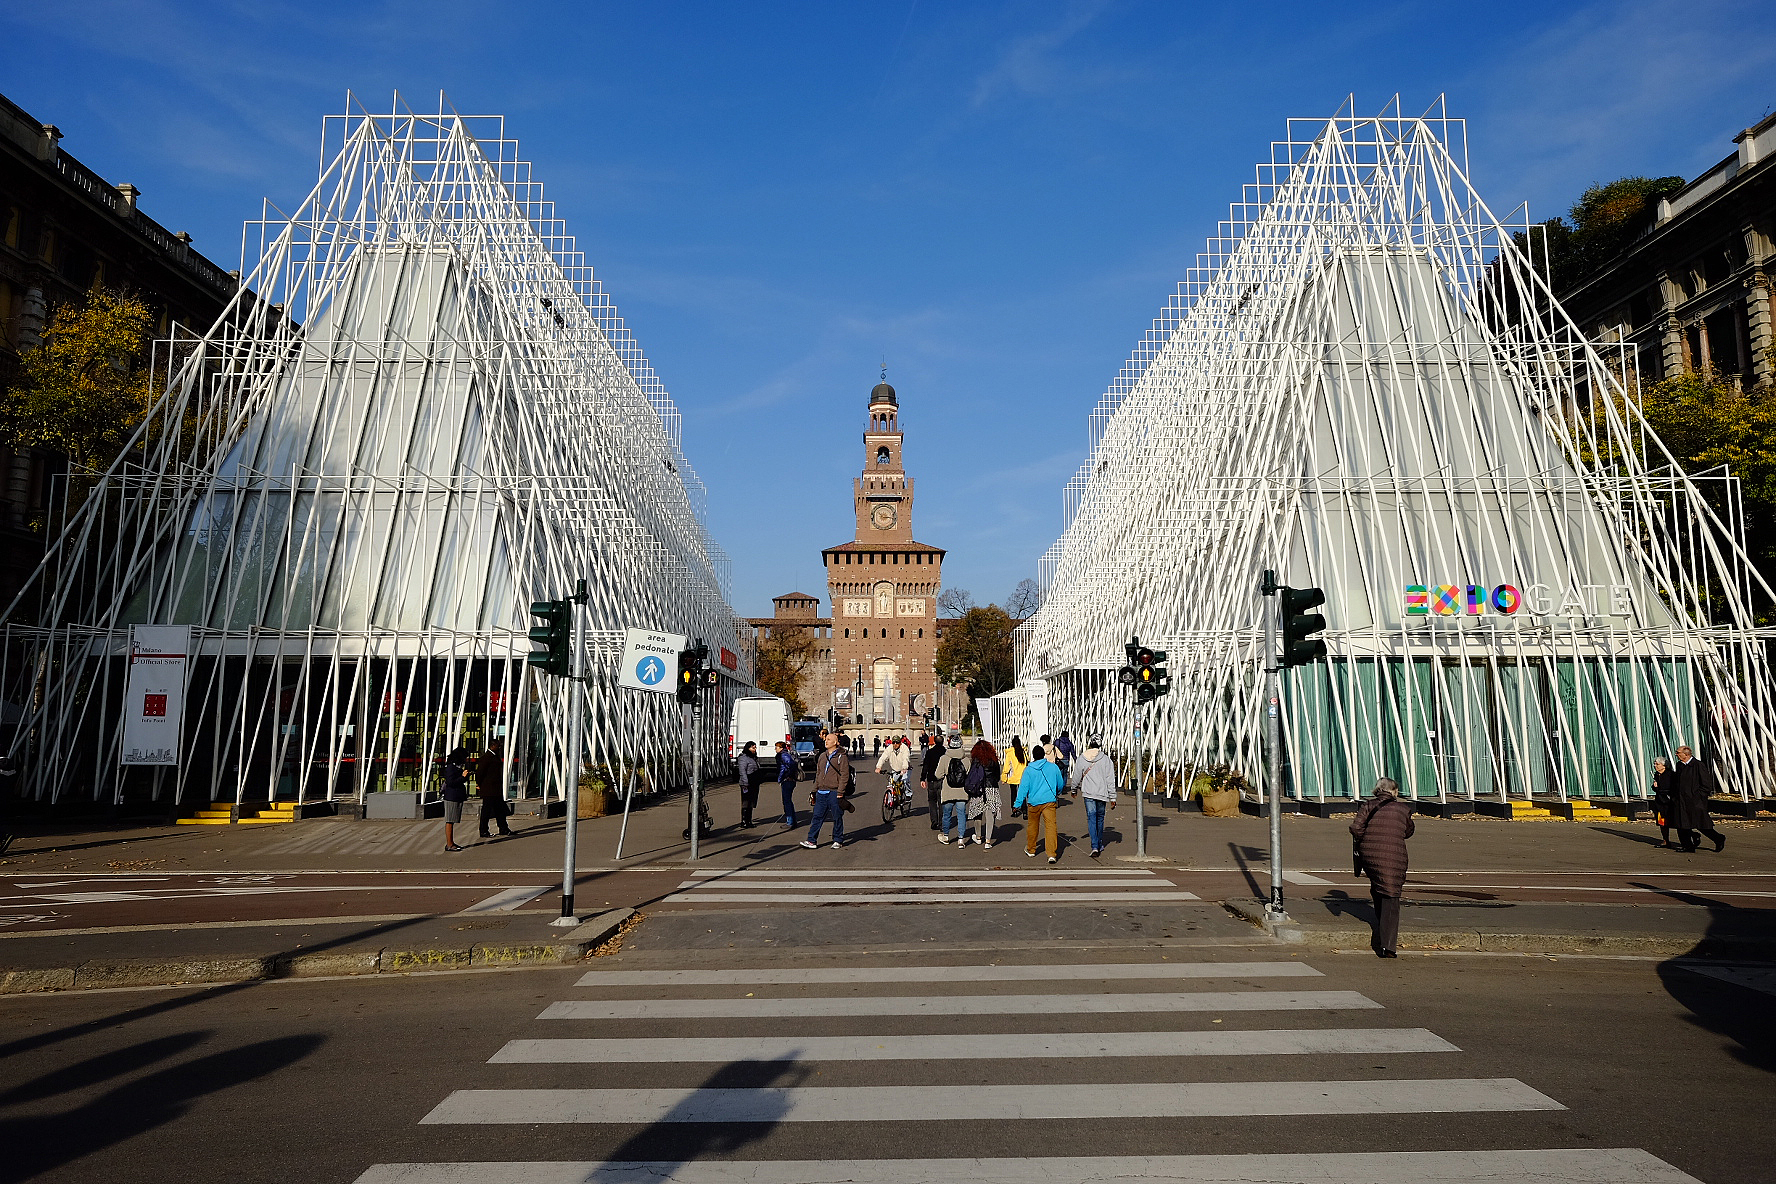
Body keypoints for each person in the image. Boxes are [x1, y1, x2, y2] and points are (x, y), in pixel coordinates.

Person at [1350, 778, 1414, 957]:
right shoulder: (1403, 809)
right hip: (1394, 855)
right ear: (1393, 791)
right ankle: (1388, 947)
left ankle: (1381, 923)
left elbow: (1355, 828)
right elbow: (1409, 831)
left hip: (1369, 855)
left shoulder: (1368, 806)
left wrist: (1368, 838)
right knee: (1392, 897)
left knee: (1378, 885)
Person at [1015, 744, 1066, 864]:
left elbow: (1023, 788)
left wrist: (1017, 803)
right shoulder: (1053, 767)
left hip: (1033, 802)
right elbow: (1060, 783)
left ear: (1033, 756)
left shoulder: (1029, 769)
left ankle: (1031, 849)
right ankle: (1051, 854)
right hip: (1049, 801)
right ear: (1043, 755)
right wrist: (1057, 792)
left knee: (1033, 826)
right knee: (1051, 826)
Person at [1069, 734, 1117, 858]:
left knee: (1091, 817)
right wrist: (1113, 797)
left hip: (1088, 792)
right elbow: (1110, 779)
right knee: (1100, 818)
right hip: (1102, 793)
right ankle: (1099, 843)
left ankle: (1094, 846)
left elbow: (1076, 776)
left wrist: (1073, 789)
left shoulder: (1082, 758)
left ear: (1089, 743)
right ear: (1101, 744)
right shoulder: (1106, 760)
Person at [1671, 745, 1725, 853]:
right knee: (1682, 825)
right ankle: (1687, 846)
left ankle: (1718, 838)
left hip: (1695, 802)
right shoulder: (1679, 765)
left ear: (1686, 754)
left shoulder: (1698, 765)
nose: (1676, 754)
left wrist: (1698, 797)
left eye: (1678, 752)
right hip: (1681, 801)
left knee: (1701, 824)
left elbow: (1706, 784)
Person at [803, 731, 850, 849]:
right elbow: (818, 774)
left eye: (829, 739)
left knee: (837, 816)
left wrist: (840, 792)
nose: (826, 741)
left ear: (835, 742)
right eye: (826, 739)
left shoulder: (841, 756)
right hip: (821, 791)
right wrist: (814, 790)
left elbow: (845, 775)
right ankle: (811, 840)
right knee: (817, 817)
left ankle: (838, 839)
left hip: (834, 791)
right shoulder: (822, 756)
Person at [967, 737, 1001, 848]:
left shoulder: (976, 760)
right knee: (990, 814)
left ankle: (978, 837)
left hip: (978, 789)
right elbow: (997, 776)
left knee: (977, 813)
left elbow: (972, 775)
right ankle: (988, 841)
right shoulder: (993, 760)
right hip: (992, 788)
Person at [475, 740, 512, 839]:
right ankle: (484, 830)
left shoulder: (494, 756)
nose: (500, 748)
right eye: (498, 746)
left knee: (500, 810)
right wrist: (479, 784)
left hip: (495, 789)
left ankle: (503, 828)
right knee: (486, 811)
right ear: (493, 746)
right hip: (489, 789)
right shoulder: (486, 758)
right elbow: (479, 773)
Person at [938, 737, 970, 845]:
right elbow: (969, 776)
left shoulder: (944, 758)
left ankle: (946, 836)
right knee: (961, 815)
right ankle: (961, 839)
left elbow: (938, 775)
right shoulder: (966, 759)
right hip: (962, 792)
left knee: (946, 815)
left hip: (948, 791)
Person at [441, 747, 471, 852]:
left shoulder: (456, 767)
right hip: (451, 796)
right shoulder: (450, 767)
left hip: (456, 796)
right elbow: (450, 782)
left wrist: (465, 776)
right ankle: (449, 844)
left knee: (452, 820)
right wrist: (462, 777)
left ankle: (451, 842)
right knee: (450, 820)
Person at [920, 734, 947, 830]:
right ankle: (941, 823)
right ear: (943, 742)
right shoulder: (945, 753)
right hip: (942, 780)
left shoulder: (930, 752)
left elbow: (925, 766)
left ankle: (934, 821)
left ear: (934, 742)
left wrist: (922, 778)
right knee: (941, 802)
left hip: (931, 779)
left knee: (932, 801)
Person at [1651, 757, 1676, 848]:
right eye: (1655, 764)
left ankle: (1691, 836)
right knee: (1662, 823)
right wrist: (1655, 787)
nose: (1655, 766)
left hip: (1669, 802)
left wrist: (1658, 789)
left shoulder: (1670, 775)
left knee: (1675, 822)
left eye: (1657, 764)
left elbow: (1670, 789)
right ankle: (1666, 840)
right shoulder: (1657, 775)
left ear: (1664, 765)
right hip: (1660, 802)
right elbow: (1656, 788)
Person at [775, 740, 801, 829]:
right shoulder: (785, 754)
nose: (775, 749)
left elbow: (789, 765)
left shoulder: (783, 755)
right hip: (789, 779)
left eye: (777, 747)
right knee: (788, 801)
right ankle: (792, 821)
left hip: (787, 780)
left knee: (786, 801)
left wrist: (782, 777)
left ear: (781, 748)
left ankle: (790, 822)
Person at [1002, 736, 1027, 819]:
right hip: (1023, 777)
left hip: (1013, 777)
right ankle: (1025, 811)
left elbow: (1007, 767)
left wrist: (1004, 777)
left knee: (1013, 794)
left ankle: (1014, 810)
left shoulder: (1010, 753)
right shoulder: (1023, 751)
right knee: (1022, 795)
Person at [736, 742, 761, 828]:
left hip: (754, 782)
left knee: (752, 801)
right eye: (753, 748)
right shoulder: (743, 758)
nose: (755, 749)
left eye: (755, 747)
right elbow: (742, 771)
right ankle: (744, 821)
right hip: (747, 782)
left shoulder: (753, 758)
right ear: (748, 748)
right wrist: (745, 783)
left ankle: (749, 820)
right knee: (746, 801)